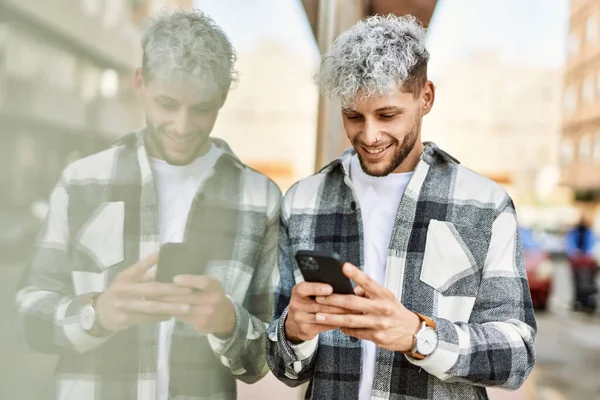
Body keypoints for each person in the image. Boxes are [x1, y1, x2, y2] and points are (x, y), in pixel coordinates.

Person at [267, 14, 536, 399]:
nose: (369, 135)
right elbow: (283, 367)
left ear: (425, 97)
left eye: (387, 115)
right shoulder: (302, 201)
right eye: (353, 116)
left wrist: (418, 335)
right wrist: (294, 331)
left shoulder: (485, 203)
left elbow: (517, 357)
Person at [16, 10, 280, 400]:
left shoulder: (260, 198)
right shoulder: (81, 181)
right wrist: (98, 312)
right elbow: (28, 319)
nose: (182, 125)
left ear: (223, 98)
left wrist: (228, 322)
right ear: (140, 83)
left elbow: (266, 358)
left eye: (202, 108)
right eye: (167, 104)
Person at [565, 215, 598, 312]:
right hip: (577, 263)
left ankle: (587, 299)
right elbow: (570, 246)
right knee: (577, 282)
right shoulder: (574, 233)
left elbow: (592, 245)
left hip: (587, 263)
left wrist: (587, 255)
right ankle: (578, 299)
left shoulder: (589, 233)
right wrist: (575, 253)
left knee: (588, 281)